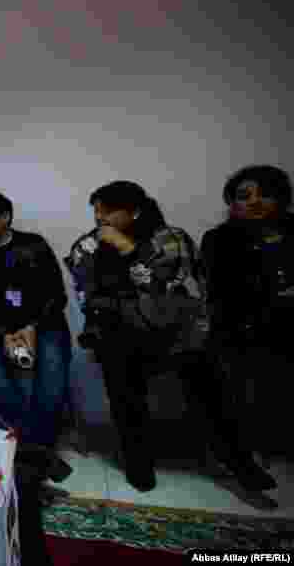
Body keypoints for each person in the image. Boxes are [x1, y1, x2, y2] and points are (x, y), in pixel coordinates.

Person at [64, 181, 275, 494]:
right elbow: (88, 295)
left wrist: (127, 249)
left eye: (107, 210)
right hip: (121, 334)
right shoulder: (88, 246)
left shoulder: (170, 238)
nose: (99, 218)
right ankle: (138, 463)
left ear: (133, 211)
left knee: (208, 387)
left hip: (177, 333)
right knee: (124, 395)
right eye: (95, 211)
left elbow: (176, 291)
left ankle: (238, 461)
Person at [0, 193, 73, 447]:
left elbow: (56, 295)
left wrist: (31, 327)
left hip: (42, 322)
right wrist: (5, 334)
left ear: (6, 217)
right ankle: (32, 439)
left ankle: (38, 441)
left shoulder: (34, 245)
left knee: (52, 372)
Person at [201, 165, 294, 462]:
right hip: (240, 331)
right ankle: (240, 452)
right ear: (232, 203)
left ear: (281, 199)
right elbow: (219, 292)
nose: (254, 201)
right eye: (244, 196)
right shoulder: (219, 240)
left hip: (287, 331)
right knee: (236, 394)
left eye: (265, 194)